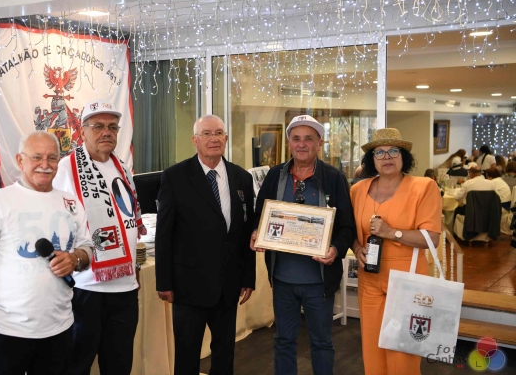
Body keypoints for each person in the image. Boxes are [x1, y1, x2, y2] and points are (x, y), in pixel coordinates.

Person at [0, 131, 93, 375]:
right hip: (7, 333)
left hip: (60, 329)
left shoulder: (70, 202)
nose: (45, 164)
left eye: (52, 158)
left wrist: (75, 259)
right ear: (20, 160)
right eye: (36, 157)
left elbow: (87, 248)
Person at [250, 115, 356, 375]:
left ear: (319, 143)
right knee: (283, 341)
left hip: (319, 282)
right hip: (282, 279)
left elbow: (347, 227)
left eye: (308, 139)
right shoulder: (275, 175)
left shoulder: (333, 177)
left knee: (321, 343)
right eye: (296, 138)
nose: (302, 144)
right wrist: (256, 232)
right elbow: (260, 214)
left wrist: (335, 249)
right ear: (289, 143)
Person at [155, 114, 255, 375]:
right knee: (187, 356)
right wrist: (164, 282)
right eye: (207, 134)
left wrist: (248, 277)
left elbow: (246, 233)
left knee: (224, 354)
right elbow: (164, 234)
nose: (213, 139)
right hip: (188, 285)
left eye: (218, 133)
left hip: (228, 284)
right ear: (195, 140)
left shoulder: (242, 178)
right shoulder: (175, 177)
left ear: (226, 138)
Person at [53, 100, 145, 375]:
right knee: (77, 365)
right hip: (87, 288)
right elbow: (55, 221)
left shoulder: (122, 167)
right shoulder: (66, 168)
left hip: (125, 287)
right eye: (98, 126)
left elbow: (127, 220)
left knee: (119, 365)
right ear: (82, 131)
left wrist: (134, 265)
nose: (107, 132)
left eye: (112, 127)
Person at [350, 128, 442, 375]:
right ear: (371, 160)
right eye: (379, 152)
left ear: (403, 156)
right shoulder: (358, 190)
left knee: (403, 354)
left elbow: (432, 238)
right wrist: (357, 248)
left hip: (408, 280)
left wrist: (392, 233)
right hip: (369, 278)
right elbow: (349, 230)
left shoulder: (424, 187)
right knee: (372, 349)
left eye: (393, 151)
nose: (387, 157)